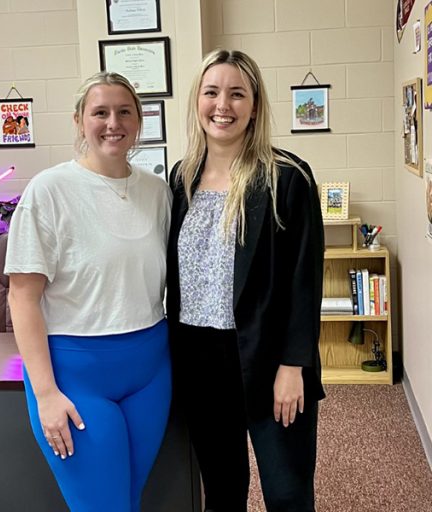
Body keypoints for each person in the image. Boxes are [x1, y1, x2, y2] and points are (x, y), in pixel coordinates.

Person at [5, 71, 172, 512]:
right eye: (100, 112)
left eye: (124, 112)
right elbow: (21, 297)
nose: (112, 122)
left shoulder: (158, 191)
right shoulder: (49, 190)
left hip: (150, 369)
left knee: (128, 499)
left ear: (139, 121)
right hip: (77, 375)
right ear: (80, 121)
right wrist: (45, 394)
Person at [166, 49, 325, 512]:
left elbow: (304, 279)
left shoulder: (286, 177)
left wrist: (293, 366)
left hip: (269, 357)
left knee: (287, 491)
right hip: (199, 358)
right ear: (197, 100)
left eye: (237, 94)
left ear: (254, 105)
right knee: (222, 491)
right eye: (212, 92)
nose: (223, 105)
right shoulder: (182, 178)